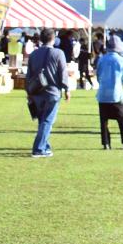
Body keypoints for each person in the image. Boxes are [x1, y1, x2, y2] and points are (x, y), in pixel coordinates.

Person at [24, 29, 70, 157]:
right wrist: (67, 89)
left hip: (36, 92)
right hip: (52, 92)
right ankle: (39, 149)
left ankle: (45, 145)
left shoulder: (33, 54)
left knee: (42, 120)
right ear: (53, 39)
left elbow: (29, 75)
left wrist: (28, 91)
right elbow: (63, 73)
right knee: (48, 120)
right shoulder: (58, 53)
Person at [95, 39, 123, 150]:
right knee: (122, 119)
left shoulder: (101, 59)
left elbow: (98, 75)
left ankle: (106, 143)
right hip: (116, 93)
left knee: (104, 121)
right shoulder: (122, 61)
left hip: (103, 93)